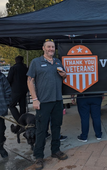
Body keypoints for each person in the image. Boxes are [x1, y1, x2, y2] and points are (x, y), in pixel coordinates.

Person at [27, 39, 68, 170]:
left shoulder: (57, 62)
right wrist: (35, 99)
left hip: (57, 100)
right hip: (43, 102)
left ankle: (55, 150)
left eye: (53, 47)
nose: (51, 49)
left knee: (57, 126)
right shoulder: (36, 62)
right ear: (43, 48)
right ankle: (39, 156)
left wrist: (64, 75)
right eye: (49, 47)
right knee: (41, 130)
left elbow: (64, 77)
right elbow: (30, 81)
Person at [7, 56, 28, 125]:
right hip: (24, 89)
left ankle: (19, 121)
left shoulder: (13, 68)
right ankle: (24, 120)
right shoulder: (25, 68)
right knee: (23, 106)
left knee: (11, 105)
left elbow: (9, 79)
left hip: (15, 90)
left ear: (16, 60)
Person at [0, 71, 11, 158]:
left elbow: (8, 90)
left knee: (1, 130)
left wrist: (6, 104)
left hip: (1, 109)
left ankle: (1, 147)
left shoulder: (2, 77)